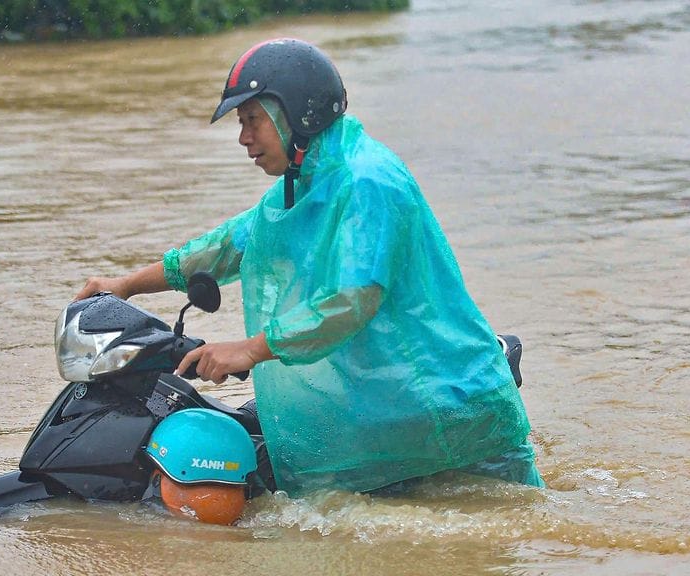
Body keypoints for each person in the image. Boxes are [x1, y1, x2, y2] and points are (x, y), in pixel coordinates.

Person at [76, 38, 544, 498]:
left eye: (253, 120)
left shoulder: (368, 181)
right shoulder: (304, 186)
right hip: (387, 409)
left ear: (299, 114)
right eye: (242, 123)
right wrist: (125, 286)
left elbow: (351, 300)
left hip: (439, 411)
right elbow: (226, 246)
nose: (243, 138)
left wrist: (252, 348)